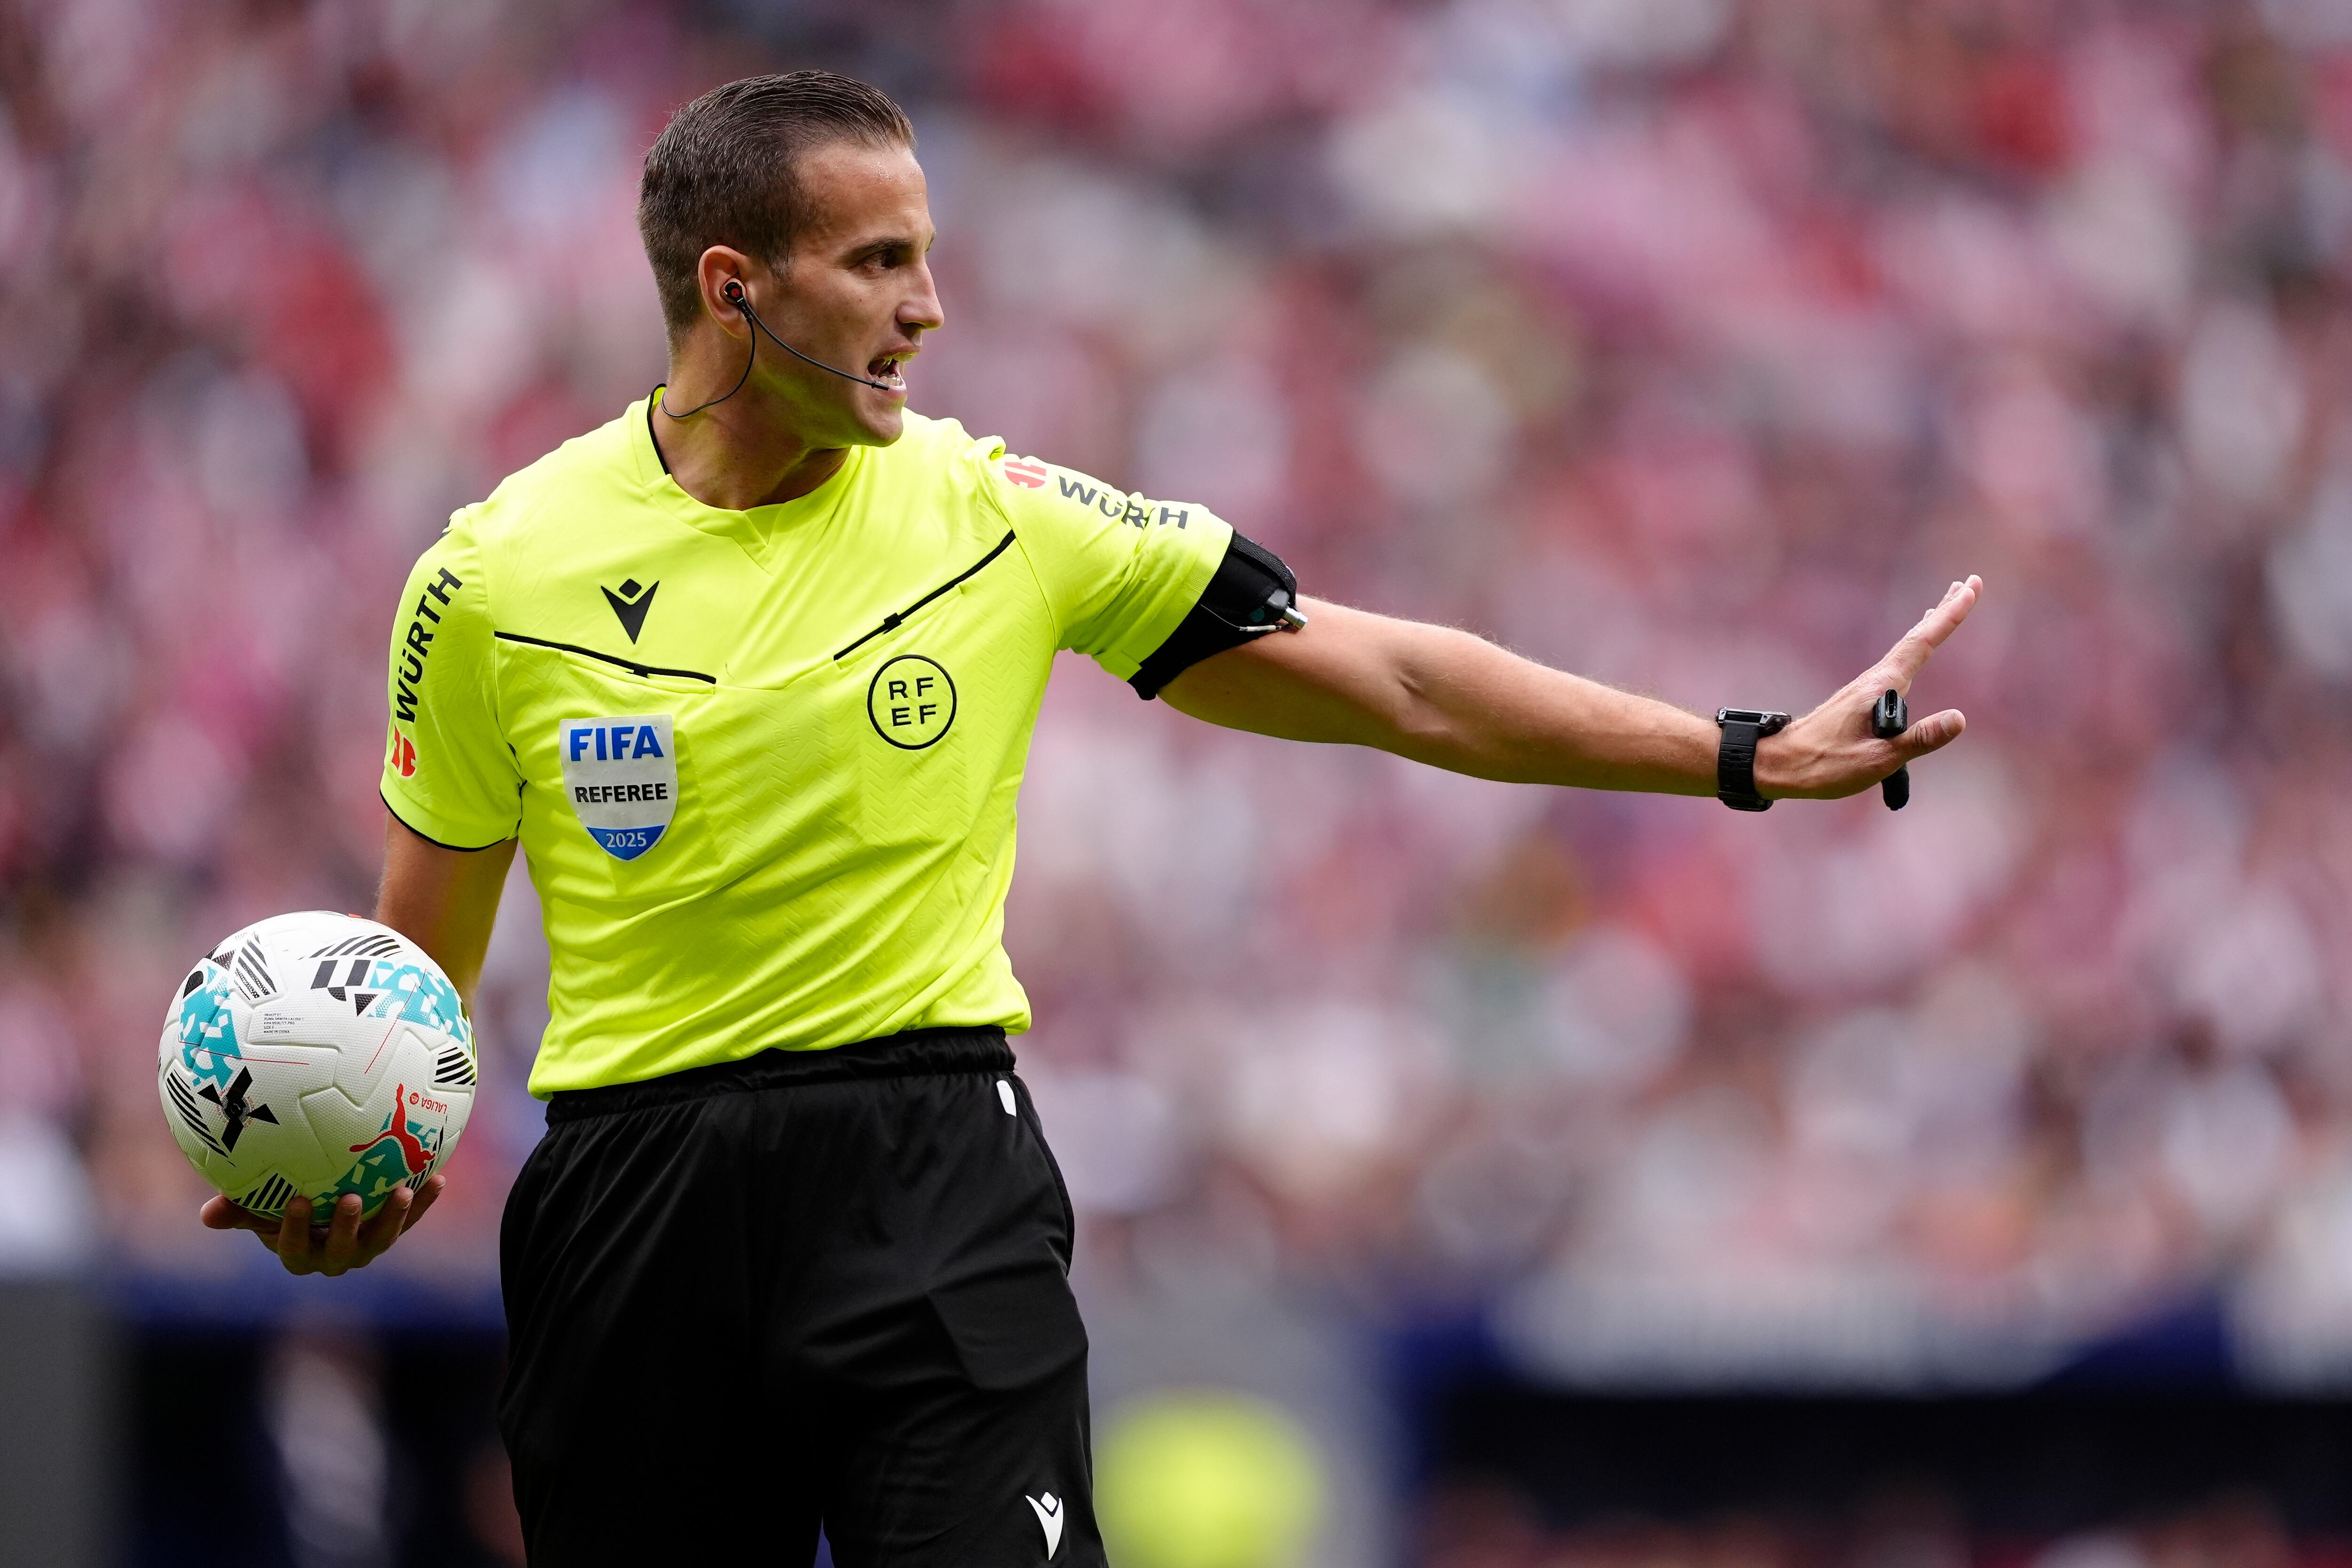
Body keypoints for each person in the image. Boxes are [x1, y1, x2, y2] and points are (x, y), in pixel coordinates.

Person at [200, 71, 1982, 1566]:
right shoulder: (493, 576)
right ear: (733, 288)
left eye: (932, 256)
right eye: (879, 260)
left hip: (927, 1168)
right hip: (629, 1199)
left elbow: (1393, 678)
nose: (929, 304)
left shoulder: (1000, 512)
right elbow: (408, 980)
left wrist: (1738, 752)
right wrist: (354, 1164)